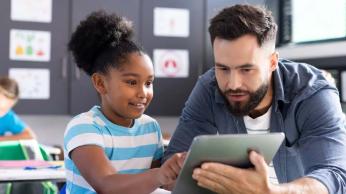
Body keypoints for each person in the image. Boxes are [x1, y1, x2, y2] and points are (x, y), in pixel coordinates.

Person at [164, 4, 346, 194]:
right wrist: (176, 171)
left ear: (273, 62)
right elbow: (170, 170)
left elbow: (335, 176)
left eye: (246, 69)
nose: (233, 84)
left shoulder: (312, 92)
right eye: (223, 69)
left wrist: (271, 192)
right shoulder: (208, 87)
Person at [64, 11, 185, 194]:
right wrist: (160, 174)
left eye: (148, 83)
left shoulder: (150, 127)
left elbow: (155, 185)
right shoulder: (84, 127)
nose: (143, 92)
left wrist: (180, 172)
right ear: (100, 83)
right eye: (131, 82)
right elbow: (106, 184)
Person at [0, 76, 36, 141]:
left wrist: (2, 139)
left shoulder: (8, 117)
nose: (1, 113)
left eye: (5, 109)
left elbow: (30, 136)